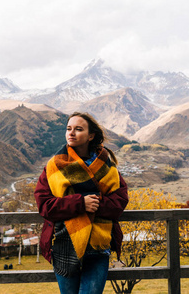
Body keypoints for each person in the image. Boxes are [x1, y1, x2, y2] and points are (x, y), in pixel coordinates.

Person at [34, 112, 129, 294]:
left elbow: (120, 200)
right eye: (69, 129)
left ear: (90, 135)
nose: (72, 133)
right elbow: (44, 205)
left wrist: (96, 204)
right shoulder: (53, 166)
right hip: (64, 244)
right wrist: (80, 203)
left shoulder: (107, 165)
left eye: (78, 129)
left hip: (98, 246)